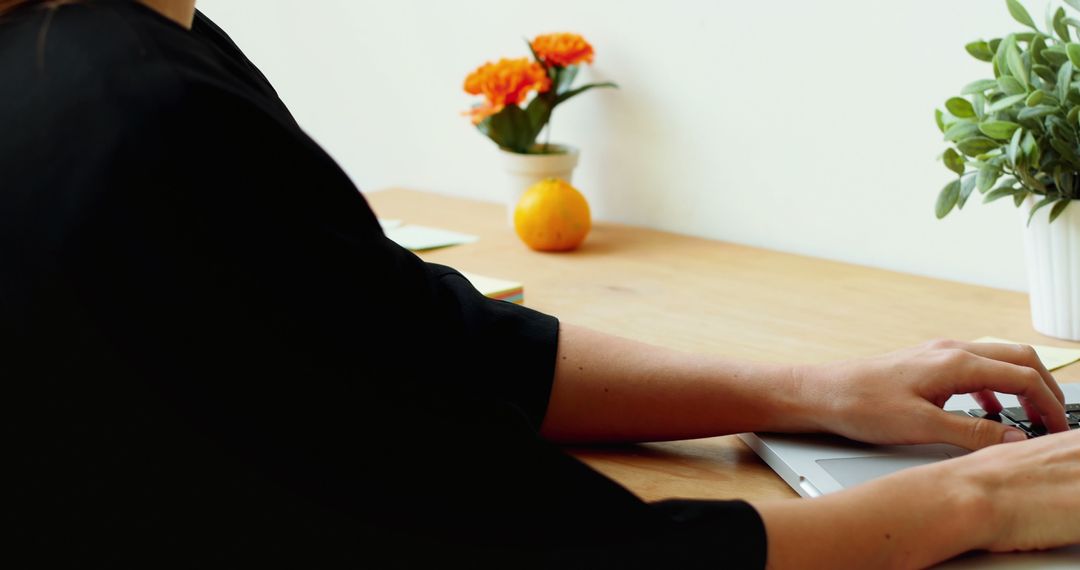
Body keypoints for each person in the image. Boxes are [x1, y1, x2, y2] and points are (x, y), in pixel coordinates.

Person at [3, 0, 1080, 567]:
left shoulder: (103, 54)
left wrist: (804, 390)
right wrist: (974, 498)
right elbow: (543, 554)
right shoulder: (135, 118)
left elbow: (406, 341)